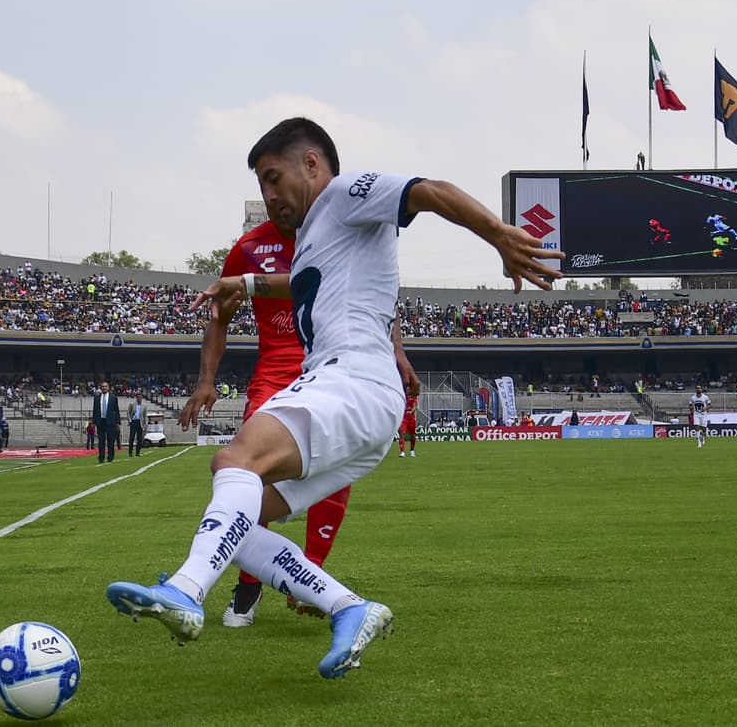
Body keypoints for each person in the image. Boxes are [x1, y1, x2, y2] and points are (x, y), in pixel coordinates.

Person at [106, 116, 562, 678]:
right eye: (261, 186)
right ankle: (349, 608)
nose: (269, 195)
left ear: (312, 164)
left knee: (234, 459)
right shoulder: (320, 235)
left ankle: (184, 591)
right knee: (240, 521)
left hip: (351, 380)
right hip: (362, 402)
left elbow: (430, 192)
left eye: (274, 178)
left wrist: (498, 234)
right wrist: (244, 284)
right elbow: (300, 279)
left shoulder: (345, 195)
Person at [177, 200, 420, 628]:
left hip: (332, 367)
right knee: (245, 475)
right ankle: (247, 587)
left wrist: (396, 352)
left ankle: (311, 573)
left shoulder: (337, 231)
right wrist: (205, 379)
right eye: (265, 184)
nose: (275, 195)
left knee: (331, 473)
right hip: (274, 372)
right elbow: (220, 315)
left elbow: (378, 301)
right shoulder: (249, 247)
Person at [92, 381, 120, 463]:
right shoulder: (97, 397)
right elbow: (95, 410)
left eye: (105, 386)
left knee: (110, 441)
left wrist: (117, 422)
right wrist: (94, 422)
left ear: (108, 388)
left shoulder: (113, 398)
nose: (104, 388)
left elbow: (116, 410)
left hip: (110, 422)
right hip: (100, 421)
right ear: (101, 388)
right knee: (101, 441)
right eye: (102, 386)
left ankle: (110, 457)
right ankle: (101, 457)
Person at [398, 392, 418, 458]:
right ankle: (402, 451)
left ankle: (412, 451)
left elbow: (415, 406)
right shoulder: (402, 396)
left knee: (413, 435)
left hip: (411, 419)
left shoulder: (414, 396)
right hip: (403, 418)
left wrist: (412, 411)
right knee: (402, 434)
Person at [127, 393, 146, 457]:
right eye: (138, 397)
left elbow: (144, 415)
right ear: (136, 398)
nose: (139, 399)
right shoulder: (132, 404)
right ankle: (130, 452)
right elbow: (128, 413)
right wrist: (130, 420)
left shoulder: (144, 406)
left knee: (139, 438)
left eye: (140, 397)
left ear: (142, 398)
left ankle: (137, 452)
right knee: (131, 438)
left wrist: (145, 424)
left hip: (140, 423)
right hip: (134, 421)